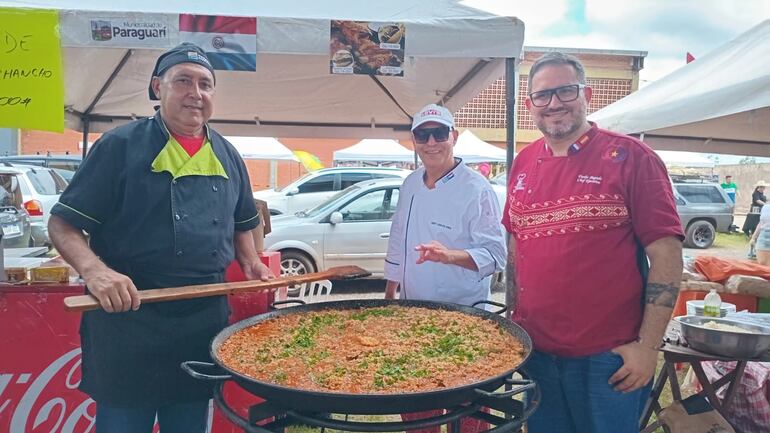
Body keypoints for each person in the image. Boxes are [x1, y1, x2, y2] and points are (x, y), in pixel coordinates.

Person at [48, 43, 271, 433]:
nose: (195, 93)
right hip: (128, 317)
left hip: (202, 320)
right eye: (182, 81)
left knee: (188, 423)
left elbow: (243, 221)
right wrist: (96, 272)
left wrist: (250, 259)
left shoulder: (228, 154)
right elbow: (63, 224)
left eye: (205, 84)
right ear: (157, 87)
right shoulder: (119, 147)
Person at [503, 52, 683, 433]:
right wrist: (512, 319)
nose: (554, 103)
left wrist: (647, 348)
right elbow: (517, 247)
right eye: (542, 95)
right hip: (536, 353)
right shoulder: (523, 162)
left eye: (565, 91)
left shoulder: (632, 157)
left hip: (610, 359)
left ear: (586, 93)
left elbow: (666, 255)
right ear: (530, 104)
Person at [384, 103, 506, 432]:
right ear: (414, 140)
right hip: (412, 314)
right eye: (423, 134)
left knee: (466, 404)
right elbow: (398, 238)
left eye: (439, 133)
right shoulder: (410, 183)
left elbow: (496, 255)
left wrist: (450, 255)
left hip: (462, 315)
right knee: (417, 401)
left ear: (453, 136)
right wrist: (389, 294)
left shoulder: (476, 188)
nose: (432, 142)